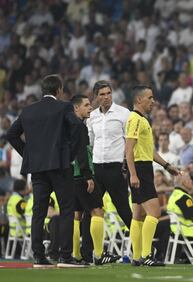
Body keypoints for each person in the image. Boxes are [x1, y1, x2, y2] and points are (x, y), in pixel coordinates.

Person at [6, 74, 84, 268]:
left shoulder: (28, 111)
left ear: (42, 91)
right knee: (66, 209)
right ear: (59, 90)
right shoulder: (64, 107)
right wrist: (70, 155)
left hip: (38, 170)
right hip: (60, 166)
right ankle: (65, 256)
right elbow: (79, 128)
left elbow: (11, 134)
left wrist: (29, 154)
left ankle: (39, 256)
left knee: (38, 212)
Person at [125, 85, 180, 266]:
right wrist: (133, 174)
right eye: (150, 98)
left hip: (143, 166)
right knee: (154, 213)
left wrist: (166, 165)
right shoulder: (135, 119)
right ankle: (147, 255)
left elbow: (149, 151)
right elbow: (128, 149)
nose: (153, 101)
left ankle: (136, 257)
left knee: (138, 214)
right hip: (139, 169)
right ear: (139, 100)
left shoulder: (143, 120)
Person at [70, 94, 120, 265]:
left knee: (77, 215)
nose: (90, 107)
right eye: (86, 105)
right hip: (82, 176)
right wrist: (88, 176)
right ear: (76, 108)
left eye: (90, 105)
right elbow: (82, 153)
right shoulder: (79, 127)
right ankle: (98, 255)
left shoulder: (69, 126)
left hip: (71, 176)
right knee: (97, 211)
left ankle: (75, 255)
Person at [87, 80, 132, 228]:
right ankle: (88, 250)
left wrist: (127, 166)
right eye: (102, 94)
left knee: (123, 209)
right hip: (97, 167)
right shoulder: (92, 116)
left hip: (116, 168)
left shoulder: (124, 113)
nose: (106, 97)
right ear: (96, 97)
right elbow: (90, 143)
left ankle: (144, 247)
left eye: (108, 93)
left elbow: (130, 142)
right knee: (92, 209)